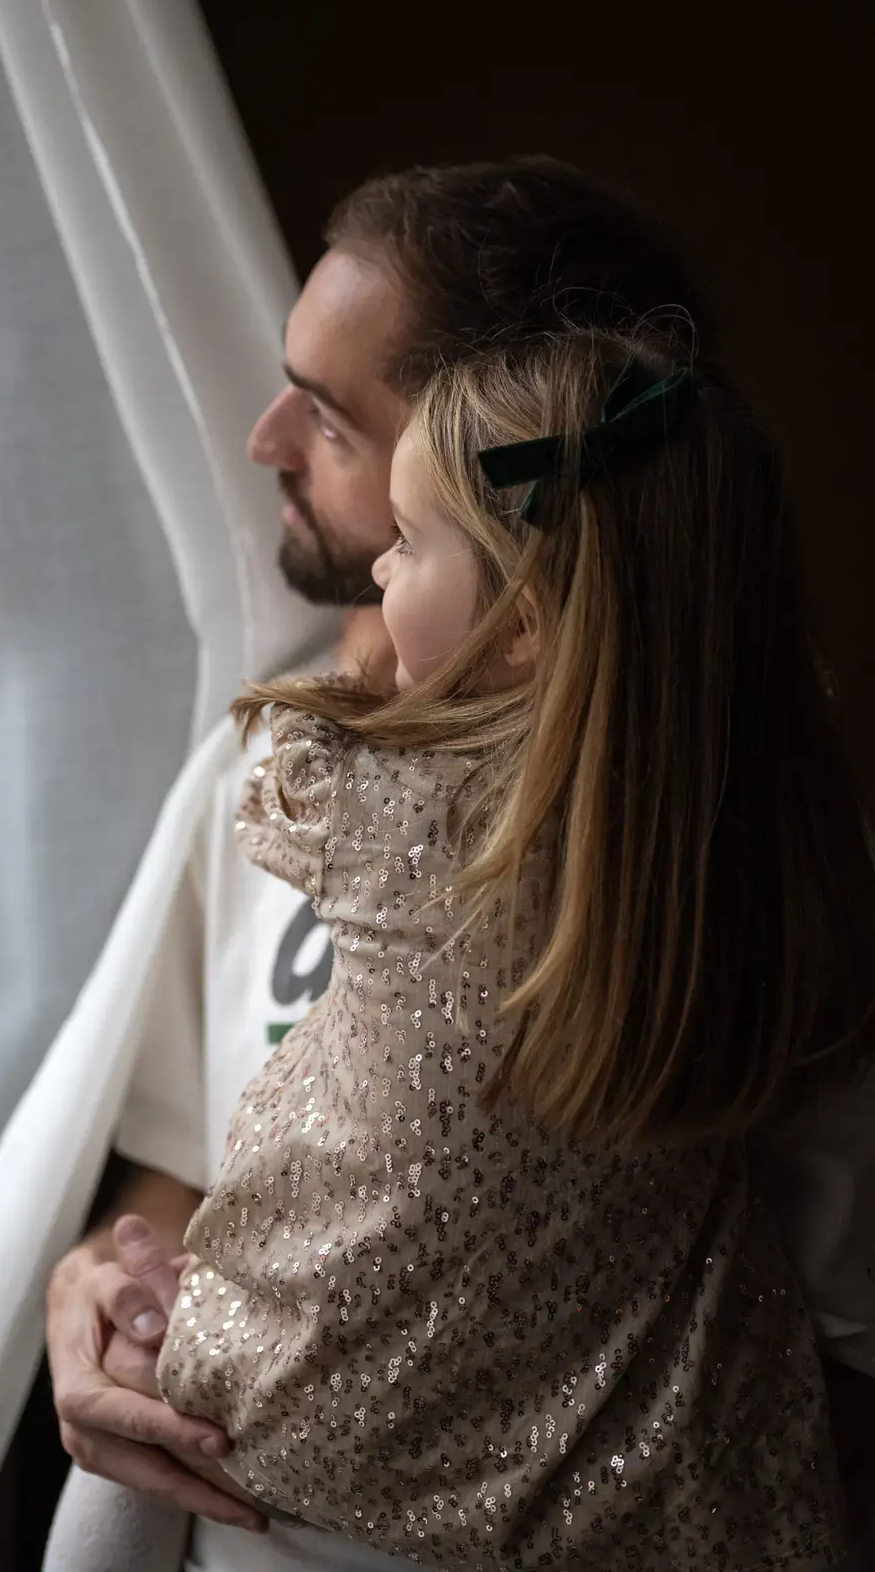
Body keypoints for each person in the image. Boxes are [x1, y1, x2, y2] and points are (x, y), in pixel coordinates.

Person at [43, 159, 875, 1572]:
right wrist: (96, 1293)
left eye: (329, 415)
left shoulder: (738, 848)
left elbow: (838, 1331)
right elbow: (182, 1168)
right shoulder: (261, 768)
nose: (263, 441)